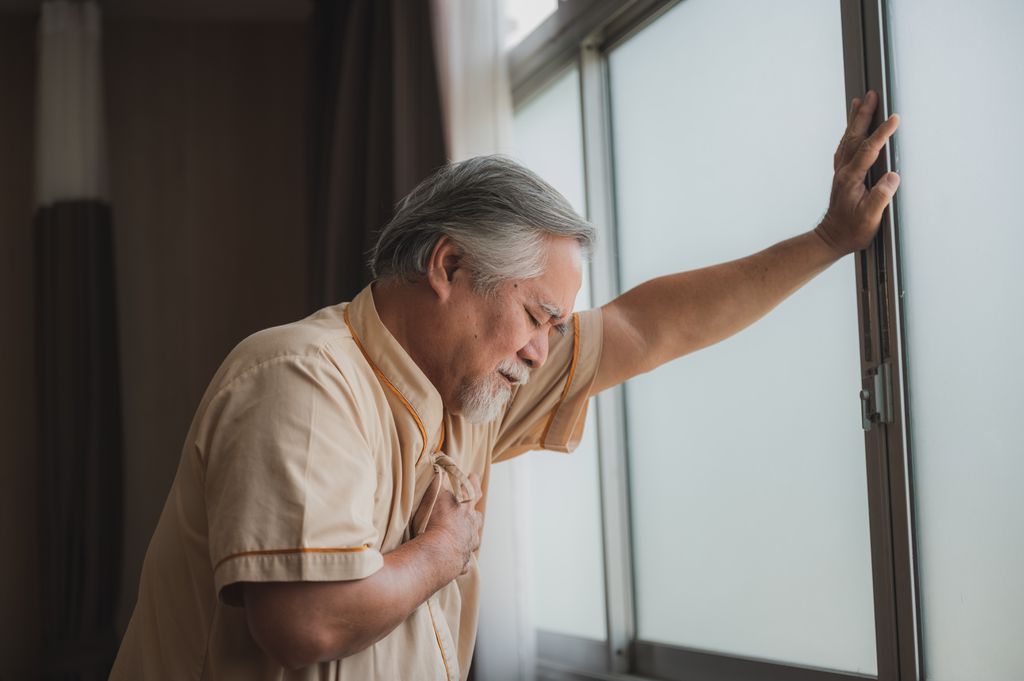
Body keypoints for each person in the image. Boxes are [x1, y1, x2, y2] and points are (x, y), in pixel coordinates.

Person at [110, 91, 899, 680]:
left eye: (558, 326)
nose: (543, 347)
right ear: (448, 266)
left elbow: (644, 328)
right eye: (537, 314)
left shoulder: (470, 385)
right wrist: (441, 551)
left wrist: (829, 240)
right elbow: (306, 623)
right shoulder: (301, 378)